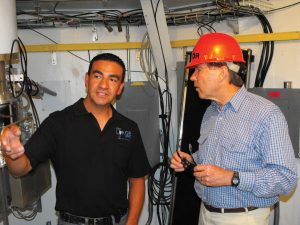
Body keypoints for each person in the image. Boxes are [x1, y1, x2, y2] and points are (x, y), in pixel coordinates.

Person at [1, 53, 151, 225]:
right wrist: (11, 154)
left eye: (112, 79)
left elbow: (137, 180)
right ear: (87, 80)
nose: (103, 85)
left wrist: (131, 222)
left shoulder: (129, 128)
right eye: (97, 76)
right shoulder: (58, 123)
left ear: (120, 87)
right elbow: (21, 168)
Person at [170, 32, 298, 225]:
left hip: (242, 218)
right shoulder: (211, 112)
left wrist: (232, 178)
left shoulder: (265, 114)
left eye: (198, 70)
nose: (193, 78)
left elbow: (285, 179)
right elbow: (217, 155)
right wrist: (192, 159)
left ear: (222, 72)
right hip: (205, 213)